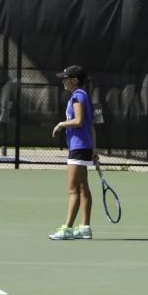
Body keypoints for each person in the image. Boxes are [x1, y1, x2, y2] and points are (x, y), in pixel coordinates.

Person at [50, 65, 96, 240]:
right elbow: (90, 126)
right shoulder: (82, 96)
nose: (63, 81)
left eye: (65, 78)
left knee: (72, 189)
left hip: (78, 148)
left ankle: (67, 229)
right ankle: (85, 227)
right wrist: (94, 149)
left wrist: (61, 124)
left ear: (74, 80)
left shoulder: (78, 96)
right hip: (83, 147)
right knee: (83, 188)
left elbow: (79, 121)